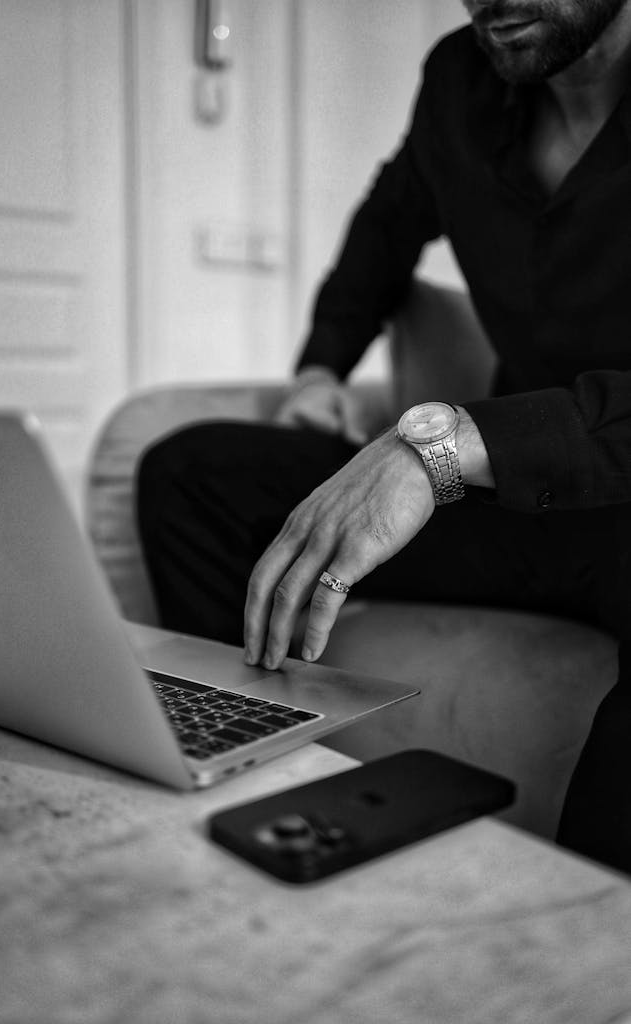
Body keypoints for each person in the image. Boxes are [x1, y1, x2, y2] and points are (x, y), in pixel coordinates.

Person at [137, 0, 631, 873]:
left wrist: (441, 446)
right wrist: (320, 370)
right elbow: (385, 224)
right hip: (518, 507)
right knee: (192, 472)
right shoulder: (459, 81)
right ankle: (234, 791)